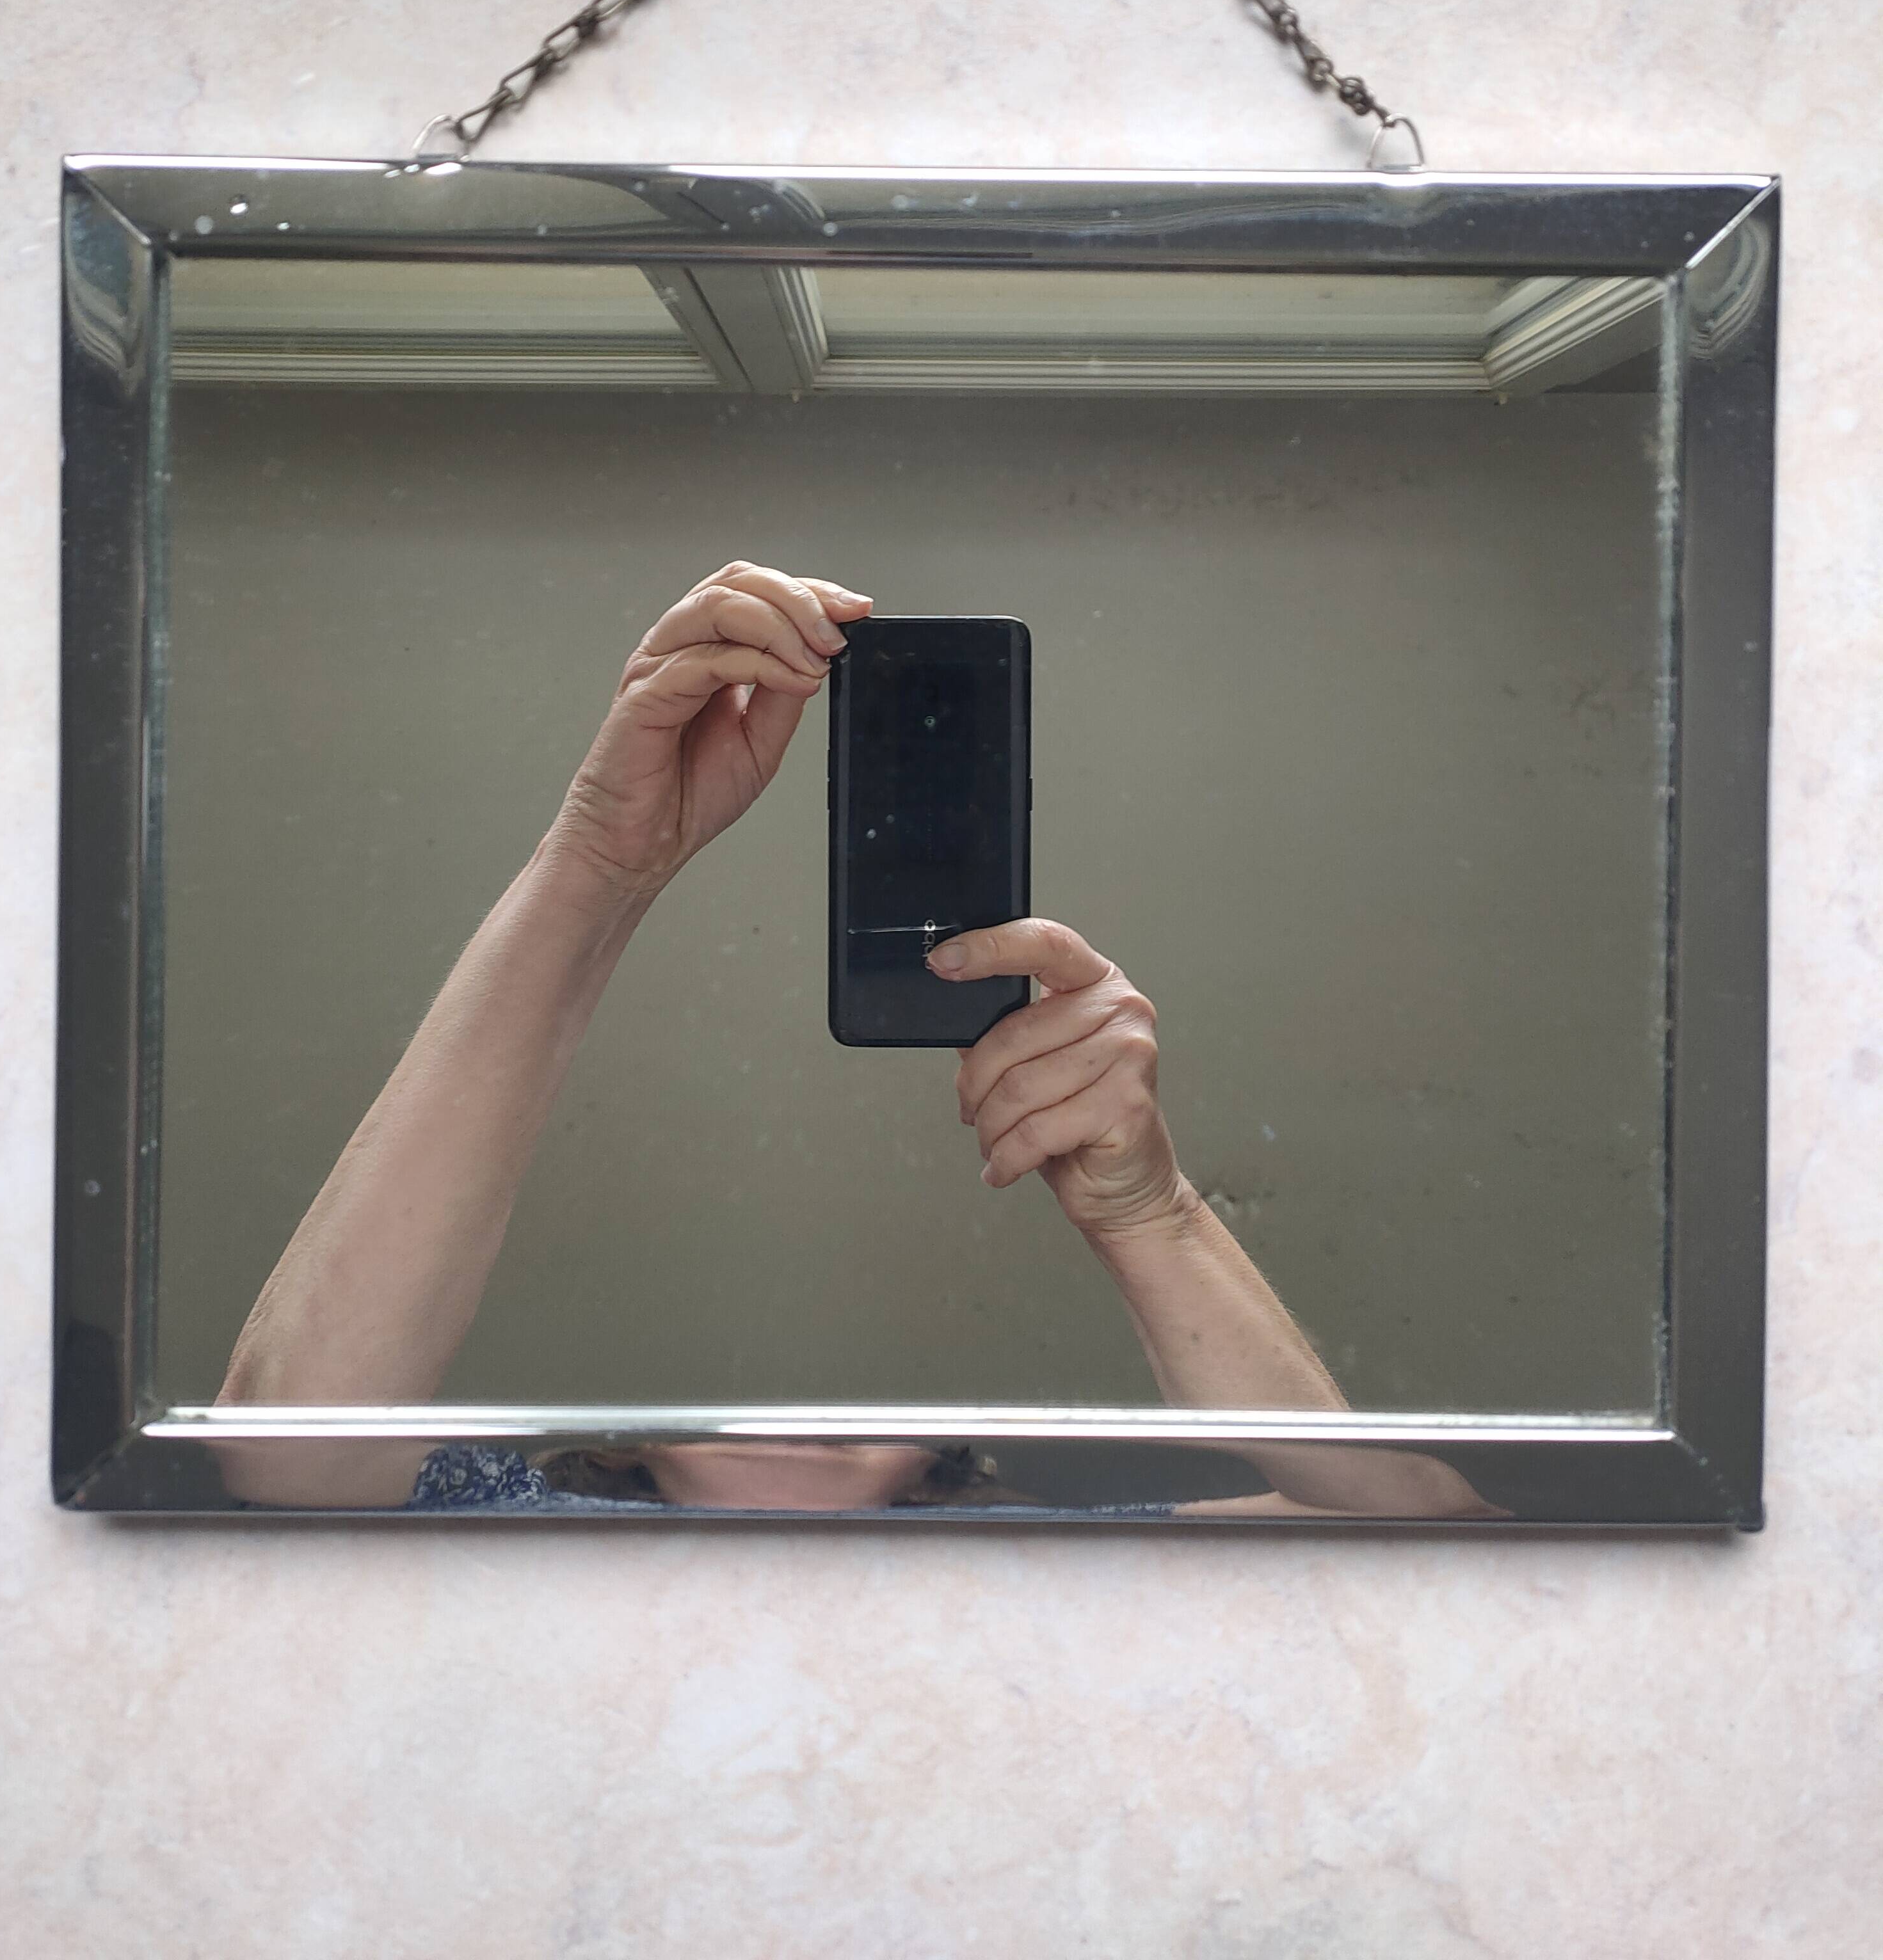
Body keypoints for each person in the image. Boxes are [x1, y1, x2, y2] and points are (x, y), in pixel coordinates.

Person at [216, 563, 1494, 1519]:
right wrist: (598, 862)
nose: (801, 1407)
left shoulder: (1051, 1587)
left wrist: (1154, 1217)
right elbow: (286, 1447)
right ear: (628, 1444)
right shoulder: (528, 1533)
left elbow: (1421, 1538)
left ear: (938, 1456)